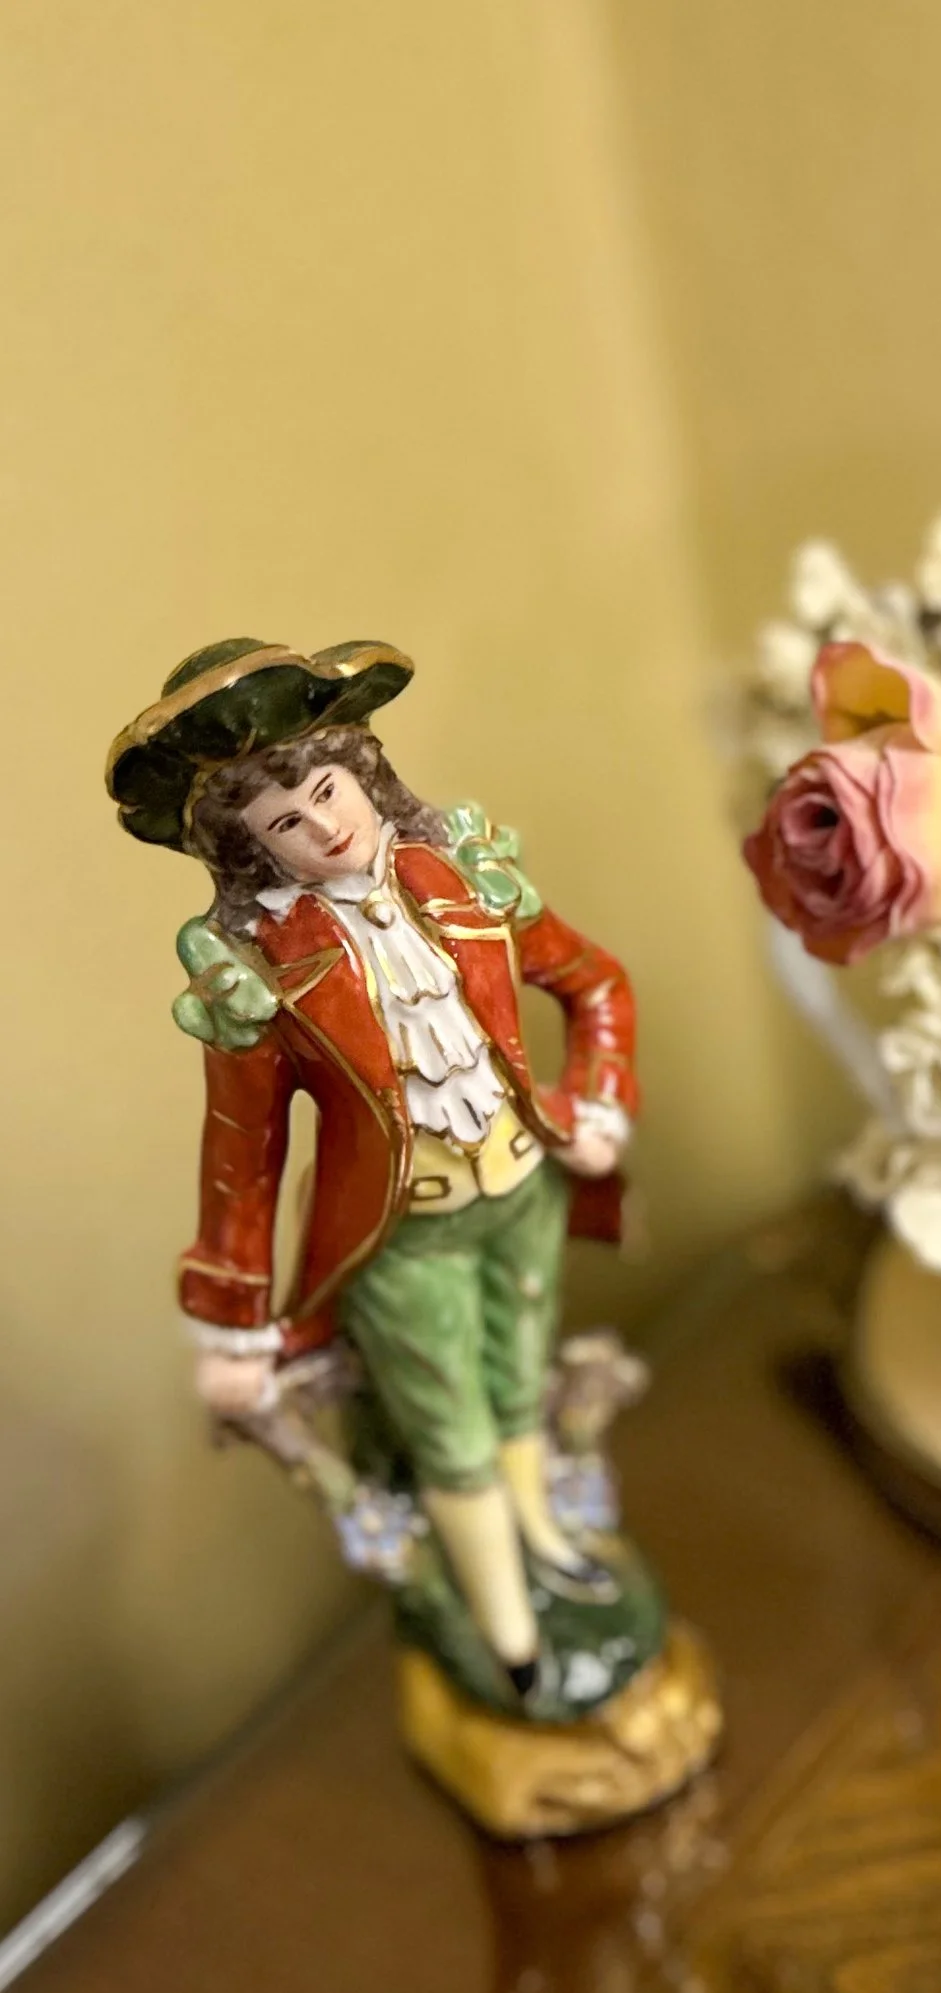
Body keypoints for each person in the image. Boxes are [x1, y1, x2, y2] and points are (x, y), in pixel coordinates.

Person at [107, 638, 638, 1698]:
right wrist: (233, 1318)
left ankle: (545, 1545)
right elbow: (242, 1158)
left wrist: (599, 1103)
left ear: (363, 774)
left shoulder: (466, 884)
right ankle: (511, 1637)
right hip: (405, 1236)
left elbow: (596, 983)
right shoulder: (265, 980)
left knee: (517, 1379)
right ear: (254, 855)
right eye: (285, 824)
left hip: (522, 1188)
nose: (325, 825)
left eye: (327, 789)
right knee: (451, 1423)